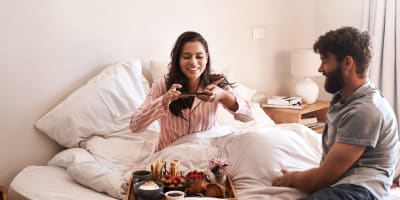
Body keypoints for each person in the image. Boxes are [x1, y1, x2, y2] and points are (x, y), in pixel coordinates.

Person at [272, 26, 398, 200]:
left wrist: (291, 178)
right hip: (345, 187)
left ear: (347, 63)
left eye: (325, 60)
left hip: (360, 192)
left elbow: (321, 179)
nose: (320, 68)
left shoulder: (364, 110)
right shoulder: (344, 101)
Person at [130, 31, 255, 151]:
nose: (193, 62)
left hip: (207, 153)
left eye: (199, 56)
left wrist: (223, 96)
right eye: (186, 57)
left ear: (206, 57)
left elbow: (249, 116)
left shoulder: (217, 84)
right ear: (177, 59)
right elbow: (135, 126)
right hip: (172, 157)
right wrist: (163, 100)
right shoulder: (162, 86)